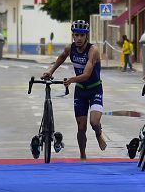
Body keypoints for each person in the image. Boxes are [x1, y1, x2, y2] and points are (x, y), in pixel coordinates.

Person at [42, 20, 108, 161]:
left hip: (95, 89)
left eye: (81, 35)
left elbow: (87, 74)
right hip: (81, 91)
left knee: (94, 123)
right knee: (81, 127)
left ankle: (98, 134)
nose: (78, 38)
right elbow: (60, 58)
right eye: (76, 35)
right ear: (73, 36)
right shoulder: (69, 49)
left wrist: (71, 80)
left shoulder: (93, 50)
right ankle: (83, 155)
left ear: (86, 36)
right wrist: (50, 71)